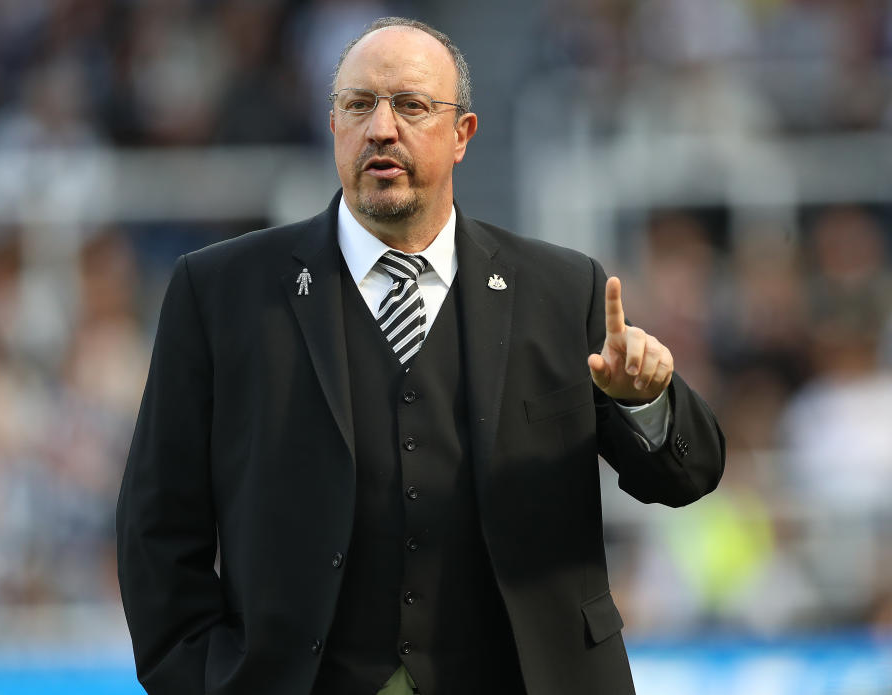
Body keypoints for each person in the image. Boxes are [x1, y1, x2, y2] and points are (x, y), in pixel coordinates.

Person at [115, 17, 725, 695]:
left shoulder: (562, 290)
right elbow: (157, 525)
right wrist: (202, 679)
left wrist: (644, 400)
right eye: (358, 105)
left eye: (410, 105)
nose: (381, 128)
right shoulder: (220, 292)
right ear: (333, 125)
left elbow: (689, 475)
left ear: (462, 134)